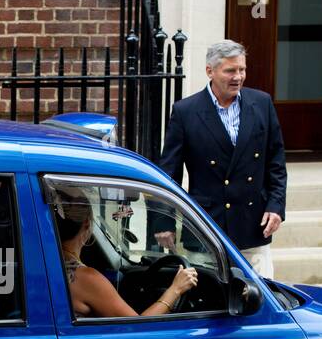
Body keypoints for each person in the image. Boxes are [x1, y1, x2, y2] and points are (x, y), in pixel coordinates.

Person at [153, 40, 286, 277]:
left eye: (242, 69)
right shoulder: (186, 112)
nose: (238, 77)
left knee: (260, 304)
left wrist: (276, 206)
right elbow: (169, 171)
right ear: (209, 71)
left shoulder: (262, 103)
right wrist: (163, 222)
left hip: (252, 226)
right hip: (207, 227)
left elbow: (275, 162)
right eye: (230, 71)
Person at [55, 188, 196, 317]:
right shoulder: (86, 279)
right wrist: (175, 289)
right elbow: (138, 329)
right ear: (87, 224)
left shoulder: (44, 266)